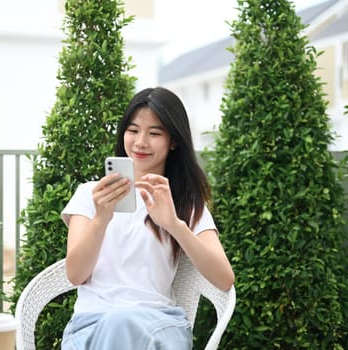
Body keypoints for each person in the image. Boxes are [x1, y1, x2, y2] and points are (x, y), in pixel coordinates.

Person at [60, 87, 235, 350]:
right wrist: (101, 219)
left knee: (124, 322)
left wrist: (174, 225)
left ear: (173, 141)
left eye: (154, 133)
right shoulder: (90, 195)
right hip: (92, 326)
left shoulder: (184, 202)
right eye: (133, 130)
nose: (141, 142)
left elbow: (223, 279)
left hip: (159, 326)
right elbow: (75, 274)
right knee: (118, 322)